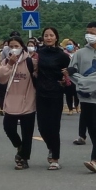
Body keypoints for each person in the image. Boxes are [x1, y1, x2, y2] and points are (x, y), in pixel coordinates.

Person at [66, 22, 96, 173]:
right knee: (91, 128)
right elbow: (71, 73)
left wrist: (84, 81)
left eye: (92, 32)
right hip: (85, 97)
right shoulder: (79, 54)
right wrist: (82, 83)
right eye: (87, 32)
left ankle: (93, 160)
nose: (89, 35)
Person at [31, 26, 71, 169]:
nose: (48, 38)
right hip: (41, 93)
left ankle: (55, 158)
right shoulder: (38, 54)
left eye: (51, 35)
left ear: (56, 37)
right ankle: (50, 147)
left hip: (56, 93)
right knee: (42, 127)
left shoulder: (62, 56)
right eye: (46, 35)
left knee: (54, 127)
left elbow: (69, 74)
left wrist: (64, 80)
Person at [0, 36, 37, 169]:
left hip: (27, 100)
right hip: (11, 101)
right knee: (8, 127)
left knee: (27, 133)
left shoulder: (30, 62)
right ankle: (19, 146)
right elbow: (1, 78)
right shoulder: (5, 62)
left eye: (16, 46)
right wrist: (9, 64)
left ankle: (24, 158)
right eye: (11, 46)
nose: (14, 49)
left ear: (22, 47)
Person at [61, 38, 81, 116]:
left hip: (77, 76)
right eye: (67, 44)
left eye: (70, 44)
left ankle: (77, 106)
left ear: (75, 45)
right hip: (67, 76)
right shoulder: (64, 54)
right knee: (68, 93)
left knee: (77, 93)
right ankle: (70, 109)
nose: (69, 46)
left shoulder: (78, 54)